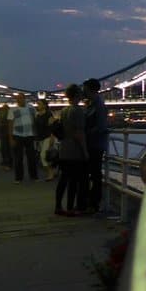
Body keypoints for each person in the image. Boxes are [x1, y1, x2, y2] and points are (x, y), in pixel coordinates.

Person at [54, 83, 88, 216]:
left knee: (63, 179)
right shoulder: (78, 111)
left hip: (63, 149)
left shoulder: (64, 110)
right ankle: (70, 208)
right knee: (74, 180)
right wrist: (85, 151)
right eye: (80, 93)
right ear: (77, 95)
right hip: (74, 150)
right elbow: (79, 134)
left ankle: (58, 206)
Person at [82, 78, 109, 214]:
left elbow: (102, 127)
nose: (83, 91)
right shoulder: (91, 103)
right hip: (92, 144)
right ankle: (91, 202)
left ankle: (94, 203)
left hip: (95, 145)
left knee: (95, 174)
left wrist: (85, 132)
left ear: (90, 90)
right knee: (92, 174)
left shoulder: (98, 105)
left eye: (84, 88)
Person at [9, 93, 39, 183]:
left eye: (21, 98)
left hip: (30, 135)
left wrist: (36, 133)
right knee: (18, 158)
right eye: (17, 99)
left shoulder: (31, 108)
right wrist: (11, 138)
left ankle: (34, 176)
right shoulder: (12, 110)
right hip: (18, 135)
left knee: (32, 157)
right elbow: (10, 124)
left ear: (24, 99)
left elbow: (35, 120)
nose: (19, 100)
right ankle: (19, 178)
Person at [0, 104, 13, 169]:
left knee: (5, 149)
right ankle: (8, 162)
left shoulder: (4, 115)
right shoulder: (7, 114)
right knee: (7, 149)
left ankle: (7, 162)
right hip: (6, 133)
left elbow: (0, 123)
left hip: (5, 133)